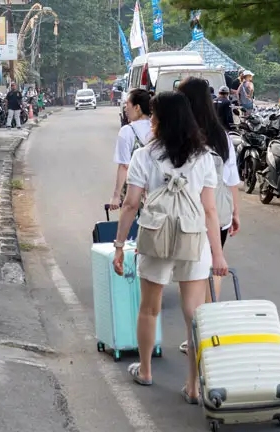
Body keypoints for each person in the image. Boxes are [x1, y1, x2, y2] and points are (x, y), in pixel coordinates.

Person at [112, 91, 229, 402]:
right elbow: (210, 210)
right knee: (194, 314)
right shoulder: (204, 156)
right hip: (194, 238)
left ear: (160, 119)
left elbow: (130, 204)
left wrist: (119, 245)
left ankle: (146, 371)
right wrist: (217, 254)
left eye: (153, 115)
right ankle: (193, 387)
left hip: (155, 237)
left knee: (149, 309)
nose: (151, 120)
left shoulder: (144, 156)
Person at [176, 77, 241, 354]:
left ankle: (195, 335)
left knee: (193, 273)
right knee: (215, 266)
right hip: (219, 210)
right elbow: (231, 178)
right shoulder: (221, 135)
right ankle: (208, 330)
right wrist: (235, 212)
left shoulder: (178, 135)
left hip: (188, 212)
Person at [109, 89, 152, 210]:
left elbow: (124, 166)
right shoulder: (157, 128)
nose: (125, 108)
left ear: (137, 107)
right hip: (157, 192)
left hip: (134, 193)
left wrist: (116, 196)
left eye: (127, 104)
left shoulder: (127, 131)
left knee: (131, 226)